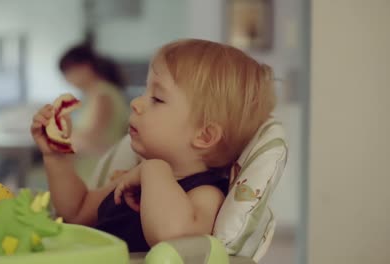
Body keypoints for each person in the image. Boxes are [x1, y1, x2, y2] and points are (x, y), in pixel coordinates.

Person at [30, 39, 276, 252]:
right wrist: (56, 157)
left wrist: (155, 170)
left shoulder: (205, 194)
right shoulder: (132, 177)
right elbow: (76, 212)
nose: (137, 102)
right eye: (145, 92)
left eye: (157, 98)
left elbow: (172, 239)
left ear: (204, 136)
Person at [58, 43, 129, 181]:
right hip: (95, 166)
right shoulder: (97, 94)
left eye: (68, 72)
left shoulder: (102, 95)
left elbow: (92, 139)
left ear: (85, 67)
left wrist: (60, 137)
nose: (67, 79)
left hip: (96, 170)